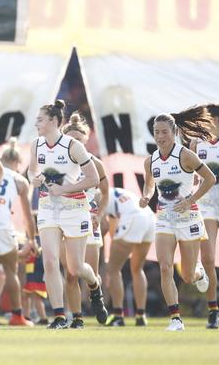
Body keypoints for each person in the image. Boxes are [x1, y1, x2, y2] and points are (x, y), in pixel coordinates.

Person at [28, 99, 108, 329]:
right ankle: (60, 316)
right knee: (50, 262)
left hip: (75, 210)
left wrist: (63, 189)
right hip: (48, 209)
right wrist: (33, 177)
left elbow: (93, 179)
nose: (36, 124)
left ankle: (94, 286)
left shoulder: (73, 146)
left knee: (75, 269)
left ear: (53, 121)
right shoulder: (36, 144)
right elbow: (31, 169)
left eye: (40, 120)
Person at [141, 107, 216, 331]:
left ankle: (199, 271)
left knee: (187, 275)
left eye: (164, 132)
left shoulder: (185, 155)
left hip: (189, 217)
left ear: (173, 133)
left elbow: (210, 178)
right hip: (164, 218)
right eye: (157, 132)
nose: (160, 136)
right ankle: (175, 319)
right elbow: (149, 184)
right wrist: (146, 196)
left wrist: (191, 199)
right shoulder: (150, 161)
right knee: (165, 267)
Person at [0, 137, 36, 327]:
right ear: (18, 162)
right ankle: (17, 315)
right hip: (3, 228)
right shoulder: (19, 180)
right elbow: (28, 217)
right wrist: (32, 240)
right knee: (11, 272)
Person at [61, 112, 109, 329]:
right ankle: (77, 318)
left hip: (88, 221)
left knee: (89, 272)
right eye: (70, 140)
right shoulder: (59, 160)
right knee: (71, 274)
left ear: (86, 140)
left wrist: (99, 215)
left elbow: (106, 193)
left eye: (78, 140)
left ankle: (95, 292)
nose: (74, 144)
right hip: (64, 219)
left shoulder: (95, 163)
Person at [191, 103, 219, 329]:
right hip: (206, 203)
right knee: (207, 257)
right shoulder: (197, 143)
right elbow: (191, 173)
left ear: (215, 120)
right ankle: (213, 310)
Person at [104, 187, 155, 326]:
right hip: (149, 217)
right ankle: (140, 315)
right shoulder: (115, 192)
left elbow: (104, 226)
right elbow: (113, 226)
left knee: (113, 269)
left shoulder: (98, 195)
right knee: (137, 269)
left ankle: (118, 315)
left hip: (133, 218)